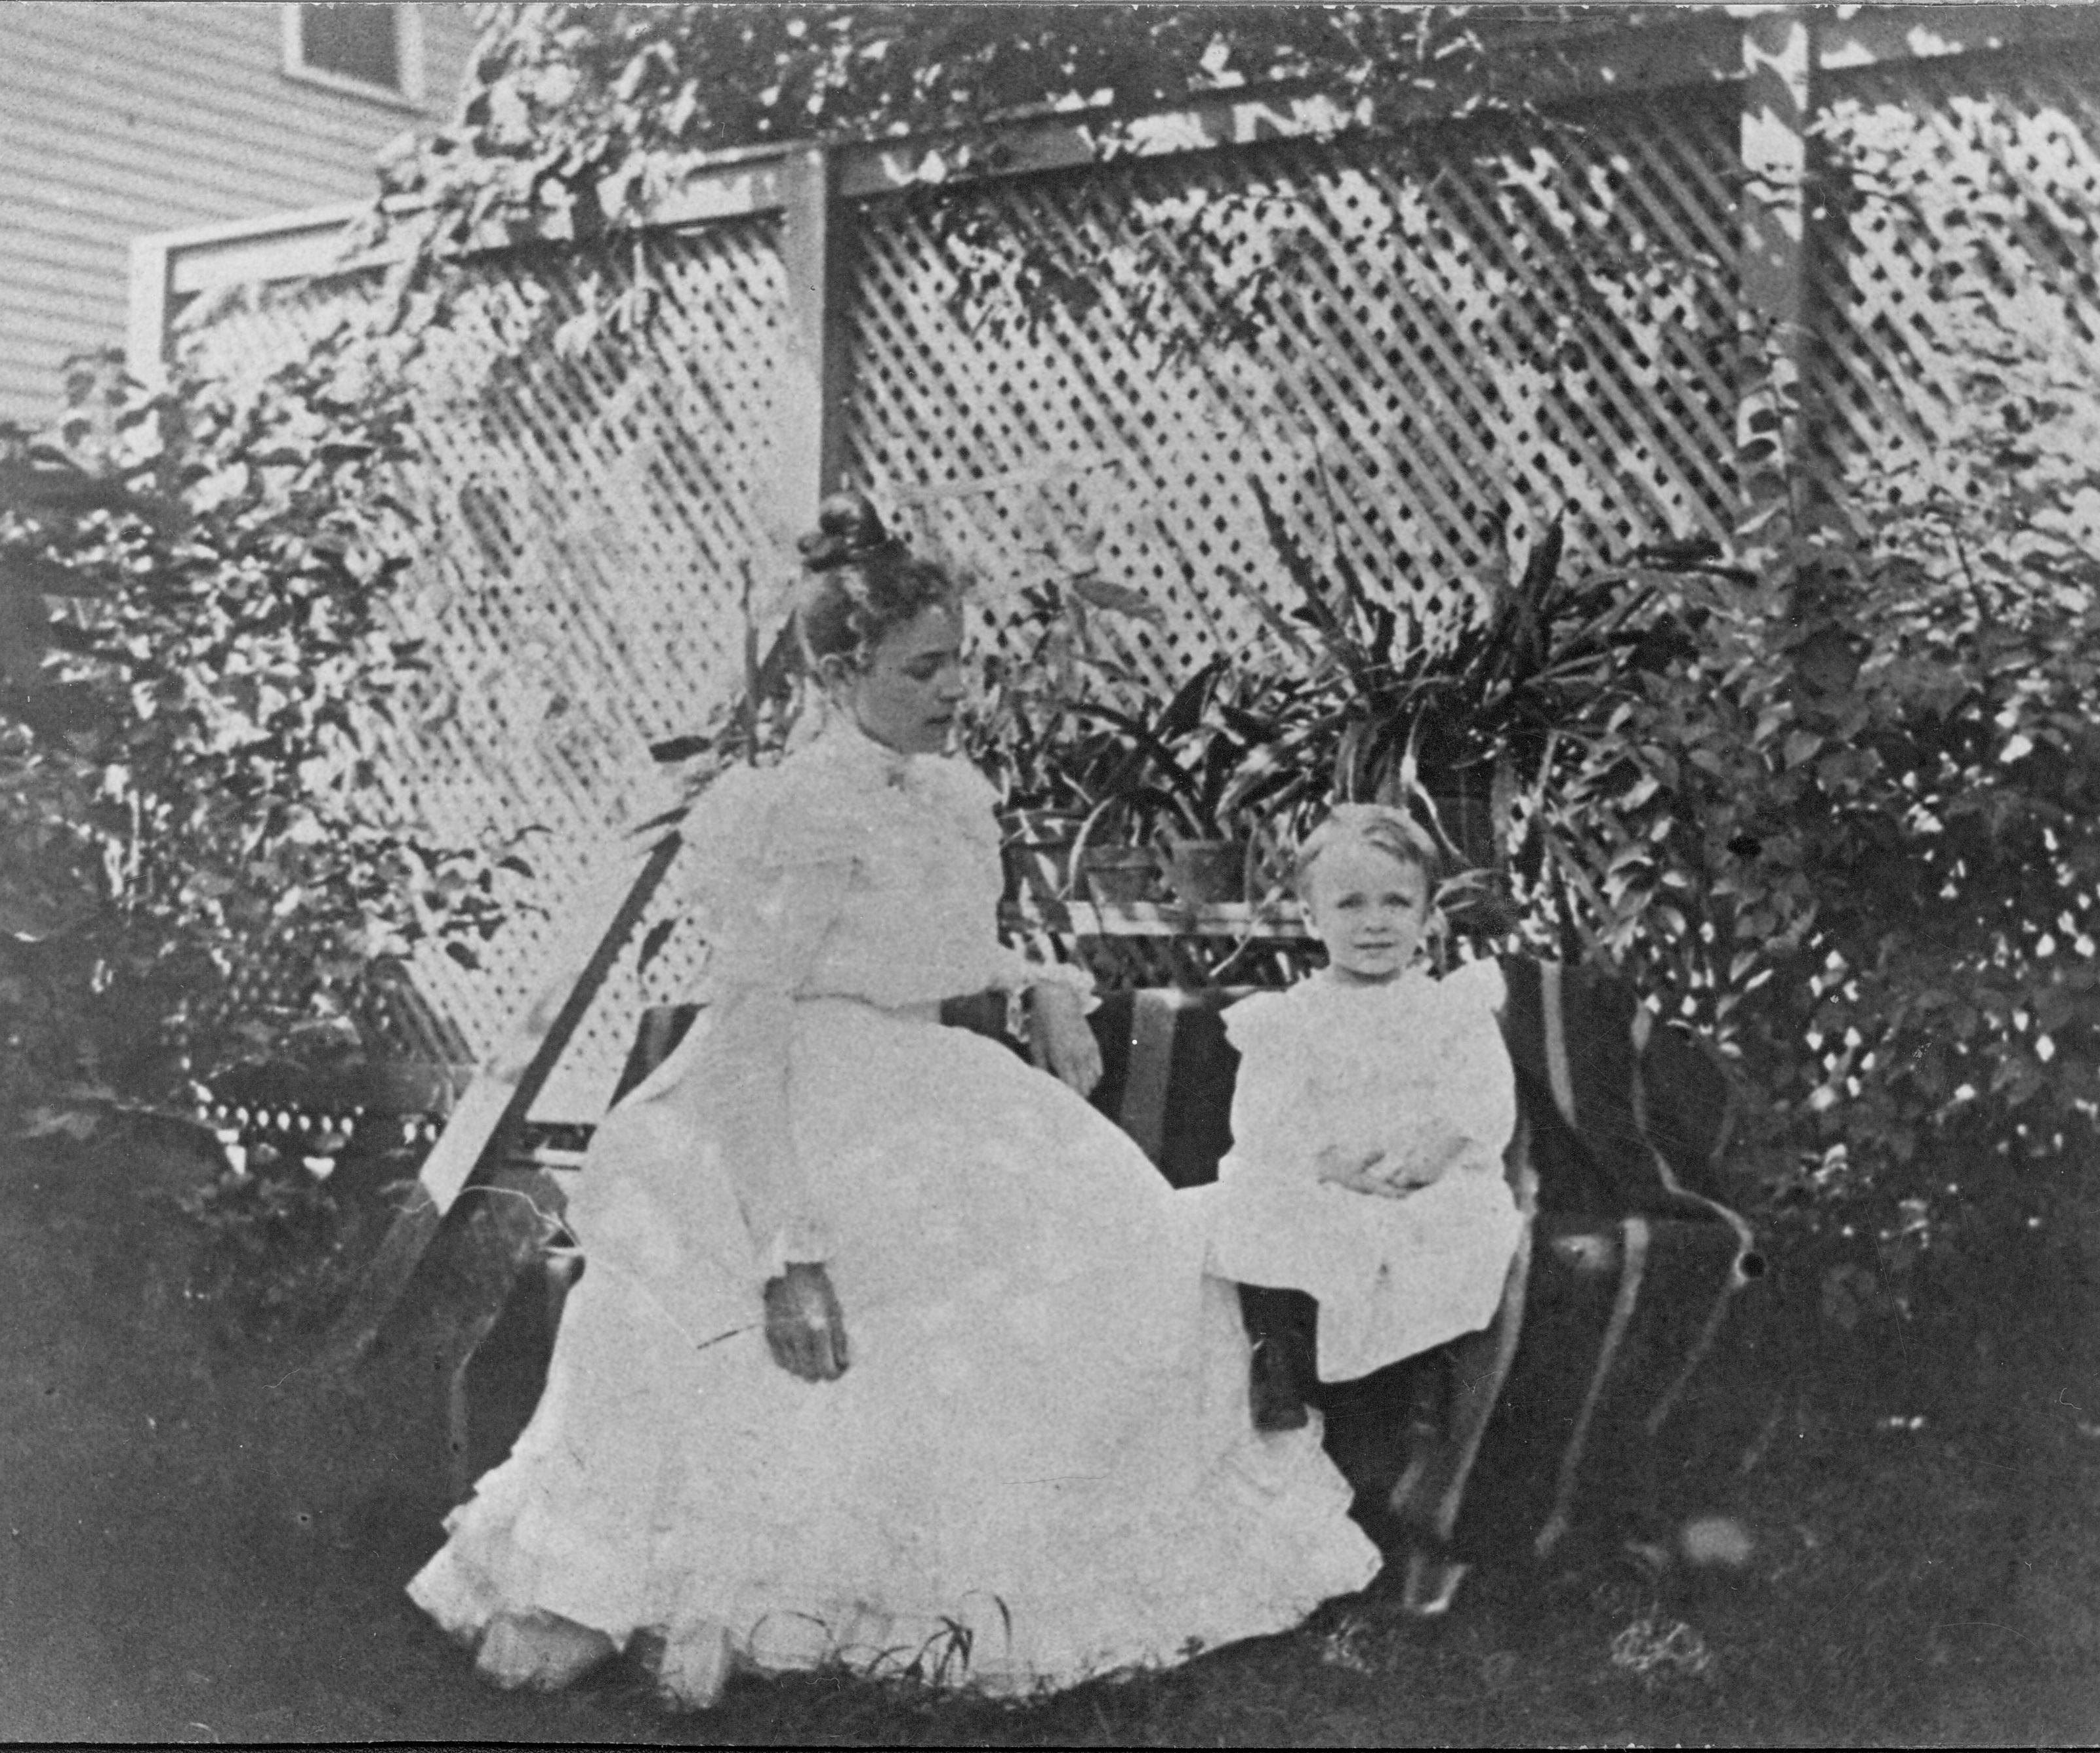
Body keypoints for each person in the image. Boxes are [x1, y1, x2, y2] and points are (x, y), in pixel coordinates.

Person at [406, 493, 1380, 1705]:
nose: (956, 688)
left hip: (939, 1080)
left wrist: (1040, 984)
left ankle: (1023, 1580)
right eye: (924, 667)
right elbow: (756, 1019)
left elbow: (923, 945)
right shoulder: (799, 809)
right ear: (834, 670)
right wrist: (786, 1246)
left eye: (962, 660)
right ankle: (836, 1595)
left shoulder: (948, 791)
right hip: (804, 1098)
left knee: (1140, 1245)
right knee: (903, 1300)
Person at [1200, 805, 1523, 1432]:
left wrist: (1438, 1146)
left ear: (1428, 916)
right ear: (1310, 917)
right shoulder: (1289, 1019)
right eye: (1349, 904)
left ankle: (1427, 1366)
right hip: (1326, 1177)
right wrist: (1327, 1163)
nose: (1374, 923)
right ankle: (1275, 1360)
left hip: (1424, 1178)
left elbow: (1481, 1095)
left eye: (1396, 903)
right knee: (1249, 1217)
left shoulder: (1450, 1009)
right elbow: (1266, 1118)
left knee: (1458, 1231)